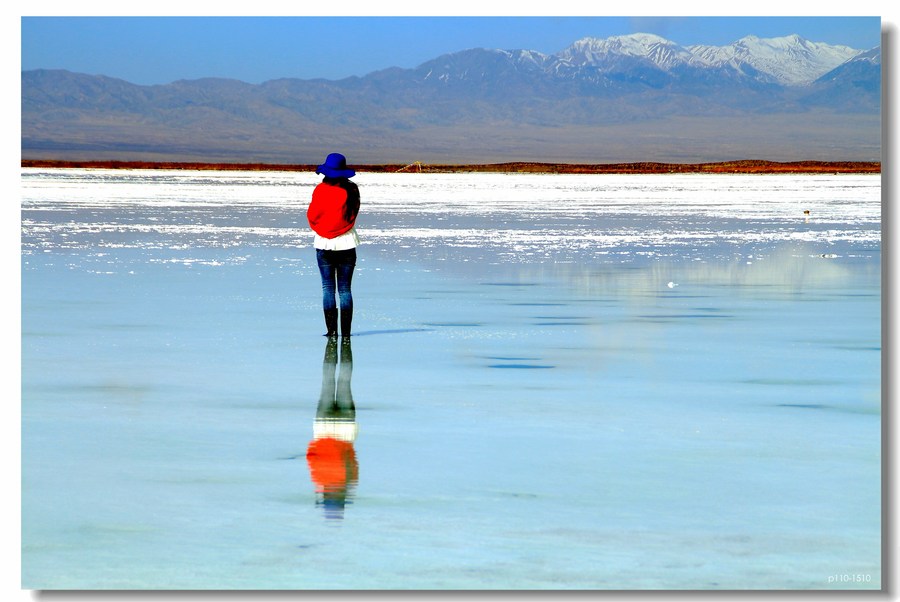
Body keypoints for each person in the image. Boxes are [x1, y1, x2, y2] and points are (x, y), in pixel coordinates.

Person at [307, 153, 360, 337]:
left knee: (328, 288)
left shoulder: (320, 190)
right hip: (347, 243)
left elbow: (312, 216)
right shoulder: (352, 190)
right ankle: (346, 333)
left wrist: (322, 229)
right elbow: (352, 215)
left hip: (324, 245)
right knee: (345, 289)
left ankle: (331, 331)